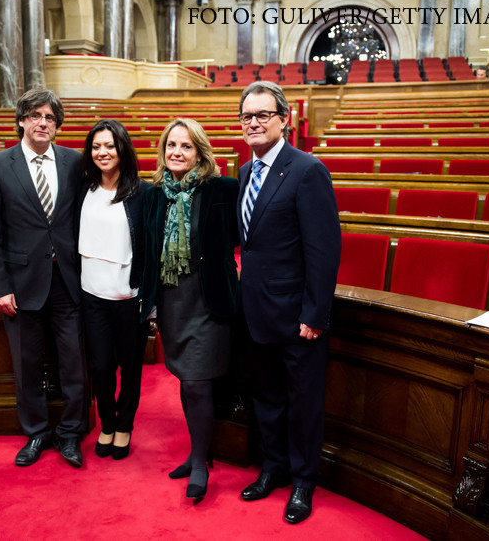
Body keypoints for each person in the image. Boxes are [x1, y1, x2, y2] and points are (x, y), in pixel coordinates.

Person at [235, 81, 341, 524]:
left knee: (302, 405)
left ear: (284, 119)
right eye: (247, 117)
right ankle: (273, 469)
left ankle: (302, 482)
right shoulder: (245, 171)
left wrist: (314, 313)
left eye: (262, 115)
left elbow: (324, 249)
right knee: (267, 399)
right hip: (255, 312)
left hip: (297, 318)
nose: (254, 123)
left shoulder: (307, 170)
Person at [0, 88, 86, 469]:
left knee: (74, 363)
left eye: (51, 118)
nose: (44, 123)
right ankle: (37, 432)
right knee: (26, 365)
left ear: (57, 126)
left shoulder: (75, 162)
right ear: (22, 120)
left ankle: (71, 433)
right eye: (36, 116)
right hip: (21, 285)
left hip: (69, 281)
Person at [140, 118, 239, 503]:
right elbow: (147, 253)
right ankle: (200, 453)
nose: (177, 153)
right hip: (171, 300)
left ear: (200, 152)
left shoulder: (222, 190)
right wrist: (146, 300)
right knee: (185, 378)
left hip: (208, 300)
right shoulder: (154, 196)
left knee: (198, 382)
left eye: (186, 146)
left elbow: (247, 235)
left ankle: (200, 463)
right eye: (171, 146)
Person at [78, 119, 151, 460]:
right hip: (92, 295)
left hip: (129, 298)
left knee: (130, 368)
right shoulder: (82, 187)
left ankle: (124, 426)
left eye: (109, 146)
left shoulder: (143, 192)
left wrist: (149, 303)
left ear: (122, 149)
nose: (102, 152)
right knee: (101, 367)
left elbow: (150, 250)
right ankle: (107, 423)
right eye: (96, 146)